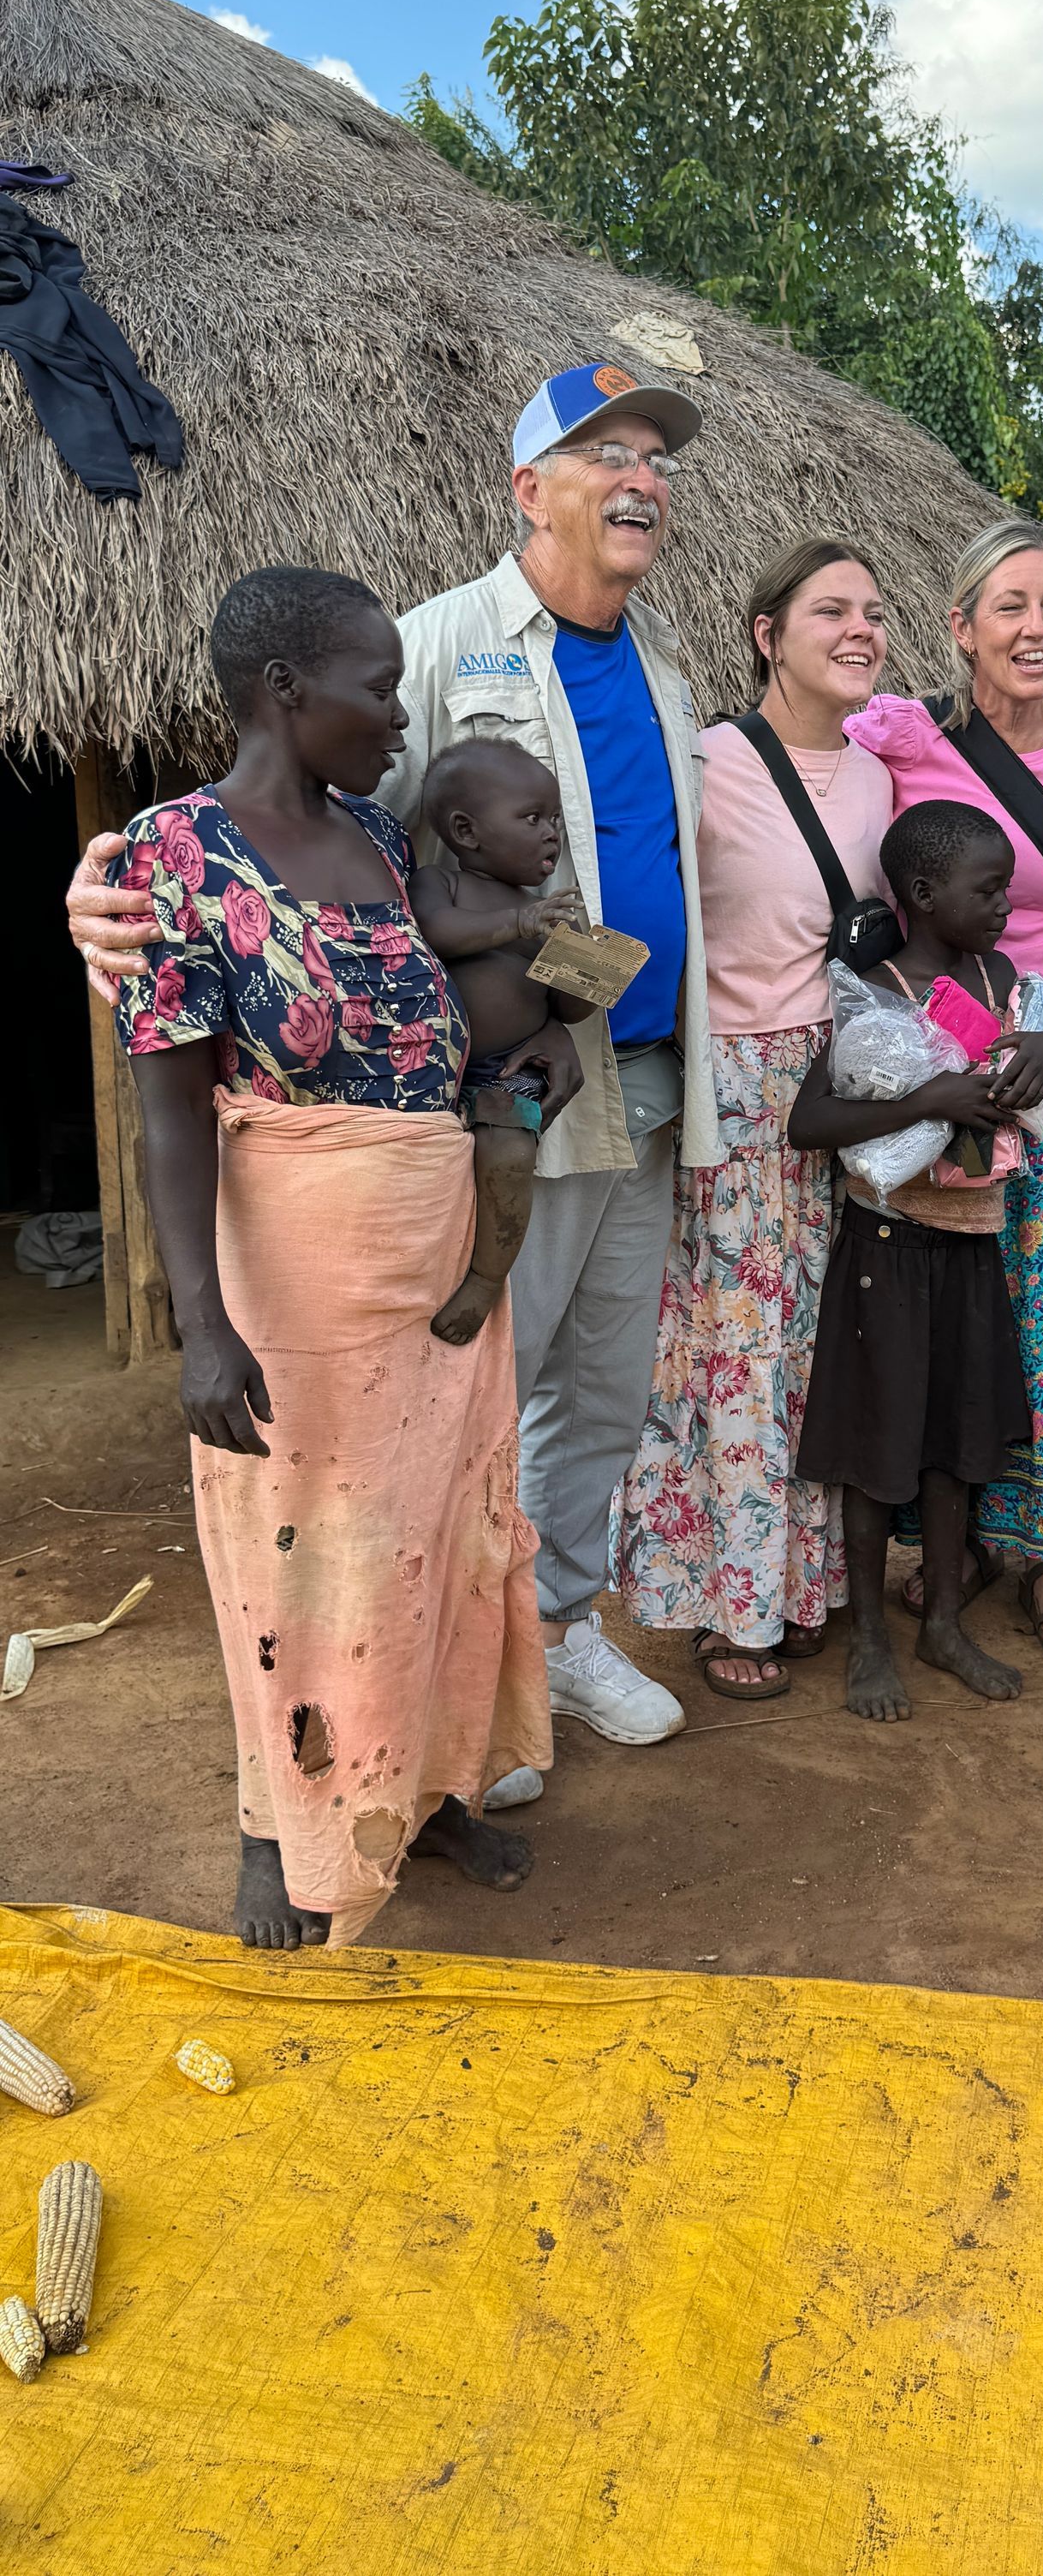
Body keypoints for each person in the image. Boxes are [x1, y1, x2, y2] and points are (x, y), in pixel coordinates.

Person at [66, 362, 720, 1751]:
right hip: (498, 1100)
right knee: (482, 1387)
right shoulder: (432, 644)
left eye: (659, 454)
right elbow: (283, 819)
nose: (644, 475)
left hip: (646, 1079)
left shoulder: (668, 663)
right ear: (529, 486)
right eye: (609, 449)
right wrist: (107, 887)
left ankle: (558, 1627)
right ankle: (461, 1687)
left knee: (602, 1387)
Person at [110, 566, 554, 1950]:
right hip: (298, 1270)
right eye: (376, 685)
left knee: (438, 1536)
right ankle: (280, 1812)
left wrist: (533, 1050)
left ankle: (422, 1785)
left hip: (440, 1253)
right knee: (297, 1555)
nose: (398, 718)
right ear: (284, 689)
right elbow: (171, 1105)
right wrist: (201, 1320)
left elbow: (480, 991)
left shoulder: (381, 831)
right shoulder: (170, 853)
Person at [846, 518, 1043, 1659]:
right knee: (960, 1314)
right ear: (961, 626)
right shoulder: (899, 740)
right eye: (1010, 607)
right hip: (944, 1076)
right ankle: (966, 1529)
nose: (1037, 628)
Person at [615, 539, 894, 1699]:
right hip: (732, 1089)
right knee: (735, 1345)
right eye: (830, 609)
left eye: (874, 612)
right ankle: (731, 1597)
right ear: (766, 633)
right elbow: (620, 886)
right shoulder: (702, 760)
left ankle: (803, 1580)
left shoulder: (884, 772)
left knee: (826, 1344)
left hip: (846, 1091)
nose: (860, 629)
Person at [790, 800, 1043, 1720]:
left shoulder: (1007, 982)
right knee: (880, 1445)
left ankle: (945, 1618)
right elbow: (813, 1123)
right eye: (986, 887)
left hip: (974, 1244)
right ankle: (872, 1631)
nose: (1003, 902)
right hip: (885, 1248)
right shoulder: (874, 990)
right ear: (922, 892)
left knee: (958, 1441)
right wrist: (937, 1097)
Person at [408, 740, 592, 1347]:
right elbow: (436, 932)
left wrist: (583, 966)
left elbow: (570, 1010)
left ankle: (487, 1277)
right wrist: (519, 927)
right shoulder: (442, 885)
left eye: (555, 820)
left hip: (512, 1067)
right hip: (438, 1073)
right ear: (467, 830)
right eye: (532, 818)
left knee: (509, 1148)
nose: (551, 834)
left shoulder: (545, 914)